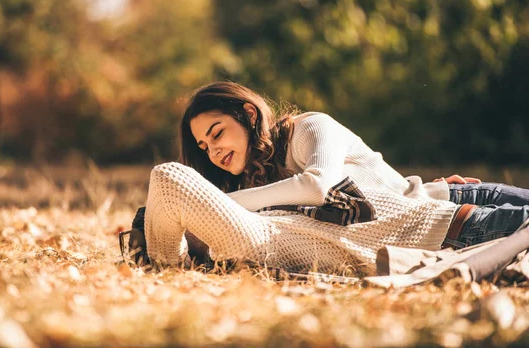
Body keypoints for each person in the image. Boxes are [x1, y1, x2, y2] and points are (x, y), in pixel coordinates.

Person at [129, 81, 529, 276]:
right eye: (202, 146)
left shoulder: (309, 129)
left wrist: (214, 204)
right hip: (432, 218)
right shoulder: (257, 181)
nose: (212, 150)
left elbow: (317, 186)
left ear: (249, 116)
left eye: (216, 133)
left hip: (450, 201)